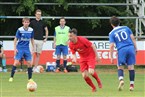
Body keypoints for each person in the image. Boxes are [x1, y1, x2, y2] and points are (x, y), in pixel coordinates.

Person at [109, 16, 137, 91]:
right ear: (119, 22)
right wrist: (136, 48)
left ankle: (121, 80)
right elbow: (133, 38)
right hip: (130, 47)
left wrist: (111, 57)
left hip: (121, 49)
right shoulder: (126, 28)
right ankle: (131, 85)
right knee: (131, 67)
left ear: (111, 24)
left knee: (120, 67)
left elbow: (111, 46)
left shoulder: (111, 33)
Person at [9, 17, 34, 82]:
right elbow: (15, 40)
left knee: (29, 63)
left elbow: (32, 39)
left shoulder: (31, 30)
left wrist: (33, 48)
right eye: (25, 22)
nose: (26, 23)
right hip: (20, 48)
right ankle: (11, 77)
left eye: (27, 22)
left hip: (27, 48)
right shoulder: (19, 30)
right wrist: (15, 49)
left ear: (29, 23)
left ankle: (30, 78)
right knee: (16, 62)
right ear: (23, 23)